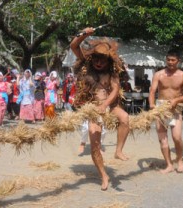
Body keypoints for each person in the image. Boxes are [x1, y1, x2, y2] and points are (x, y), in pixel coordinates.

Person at [70, 27, 129, 190]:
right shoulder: (86, 66)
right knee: (95, 145)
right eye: (96, 58)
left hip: (110, 106)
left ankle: (118, 150)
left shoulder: (113, 72)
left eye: (102, 60)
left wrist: (105, 105)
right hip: (93, 109)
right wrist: (84, 34)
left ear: (108, 61)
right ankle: (104, 175)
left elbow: (116, 90)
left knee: (125, 118)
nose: (98, 62)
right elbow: (74, 46)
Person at [149, 49, 183, 174]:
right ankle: (169, 164)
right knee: (163, 139)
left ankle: (180, 161)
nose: (170, 62)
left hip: (175, 107)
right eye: (168, 60)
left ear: (178, 61)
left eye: (173, 60)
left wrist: (176, 100)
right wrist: (151, 105)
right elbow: (152, 91)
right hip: (160, 107)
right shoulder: (159, 74)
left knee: (177, 137)